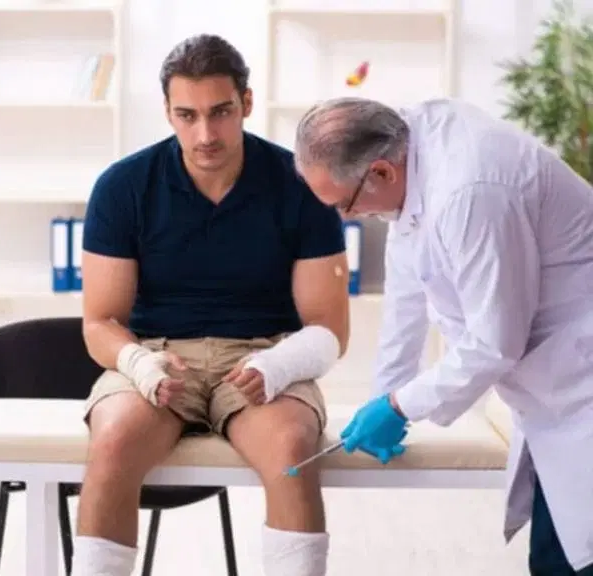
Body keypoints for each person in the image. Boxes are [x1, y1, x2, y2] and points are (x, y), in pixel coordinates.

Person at [74, 34, 350, 576]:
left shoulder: (301, 185)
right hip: (155, 358)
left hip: (265, 359)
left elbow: (328, 329)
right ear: (167, 112)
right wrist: (139, 363)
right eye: (187, 115)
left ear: (246, 103)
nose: (205, 134)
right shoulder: (122, 187)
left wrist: (277, 366)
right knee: (112, 443)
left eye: (221, 112)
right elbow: (99, 322)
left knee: (294, 451)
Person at [292, 96, 593, 575]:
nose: (350, 219)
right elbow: (408, 291)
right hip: (555, 388)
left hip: (582, 381)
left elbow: (495, 341)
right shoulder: (409, 148)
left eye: (345, 205)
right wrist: (385, 394)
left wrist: (399, 407)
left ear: (383, 173)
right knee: (556, 557)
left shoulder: (469, 192)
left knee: (574, 560)